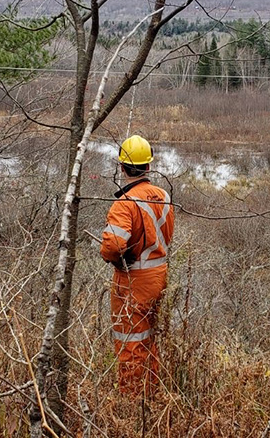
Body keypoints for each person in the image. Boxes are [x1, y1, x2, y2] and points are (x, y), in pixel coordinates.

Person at [100, 135, 174, 396]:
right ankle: (150, 392)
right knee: (148, 336)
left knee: (130, 339)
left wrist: (116, 259)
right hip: (158, 276)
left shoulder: (124, 203)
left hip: (133, 281)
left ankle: (131, 402)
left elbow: (111, 247)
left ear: (122, 168)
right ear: (148, 167)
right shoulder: (163, 195)